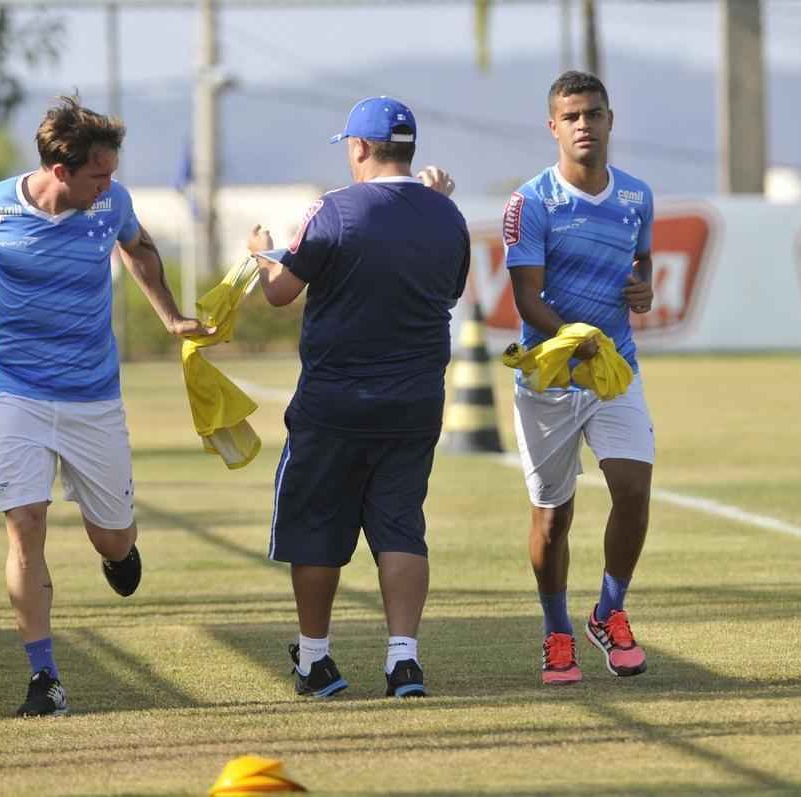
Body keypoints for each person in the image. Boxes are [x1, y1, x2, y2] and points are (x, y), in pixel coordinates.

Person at [0, 96, 212, 717]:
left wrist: (169, 315)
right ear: (61, 171)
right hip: (19, 396)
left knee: (111, 539)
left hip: (94, 401)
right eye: (99, 174)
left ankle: (119, 550)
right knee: (25, 524)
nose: (110, 185)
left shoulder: (112, 205)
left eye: (112, 172)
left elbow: (138, 248)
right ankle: (45, 678)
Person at [247, 96, 469, 699]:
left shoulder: (334, 209)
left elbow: (280, 293)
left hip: (335, 401)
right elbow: (449, 289)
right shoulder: (447, 215)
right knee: (401, 526)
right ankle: (403, 660)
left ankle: (316, 660)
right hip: (416, 400)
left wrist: (260, 254)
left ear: (361, 148)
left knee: (317, 525)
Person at [502, 71, 657, 685]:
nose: (584, 125)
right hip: (550, 379)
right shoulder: (531, 202)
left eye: (593, 114)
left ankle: (609, 612)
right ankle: (556, 631)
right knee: (552, 518)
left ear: (610, 120)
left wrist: (644, 290)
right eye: (571, 117)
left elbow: (640, 264)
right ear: (553, 127)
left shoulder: (638, 196)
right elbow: (526, 297)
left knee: (635, 491)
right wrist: (576, 336)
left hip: (615, 370)